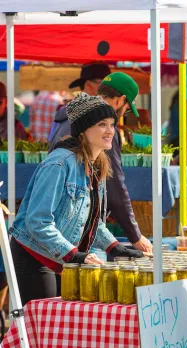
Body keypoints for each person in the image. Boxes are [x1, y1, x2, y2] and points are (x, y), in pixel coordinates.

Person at [9, 93, 151, 306]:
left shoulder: (97, 164)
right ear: (83, 130)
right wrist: (74, 254)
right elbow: (38, 221)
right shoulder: (59, 164)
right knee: (45, 325)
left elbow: (92, 221)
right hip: (35, 255)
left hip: (62, 257)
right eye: (102, 124)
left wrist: (114, 247)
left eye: (112, 124)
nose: (110, 131)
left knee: (61, 323)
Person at [50, 72, 153, 255]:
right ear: (121, 100)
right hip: (70, 236)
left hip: (65, 232)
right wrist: (135, 236)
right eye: (127, 108)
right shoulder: (103, 131)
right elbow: (114, 189)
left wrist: (115, 245)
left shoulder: (72, 116)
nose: (110, 130)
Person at [48, 62, 111, 144]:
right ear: (89, 86)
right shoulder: (84, 117)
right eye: (106, 87)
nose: (109, 94)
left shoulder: (67, 111)